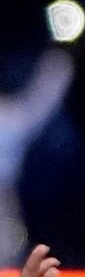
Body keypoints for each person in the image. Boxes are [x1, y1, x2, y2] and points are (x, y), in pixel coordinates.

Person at [0, 48, 68, 263]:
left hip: (5, 192)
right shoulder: (14, 117)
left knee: (9, 242)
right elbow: (42, 101)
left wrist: (59, 63)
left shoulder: (12, 117)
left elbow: (42, 101)